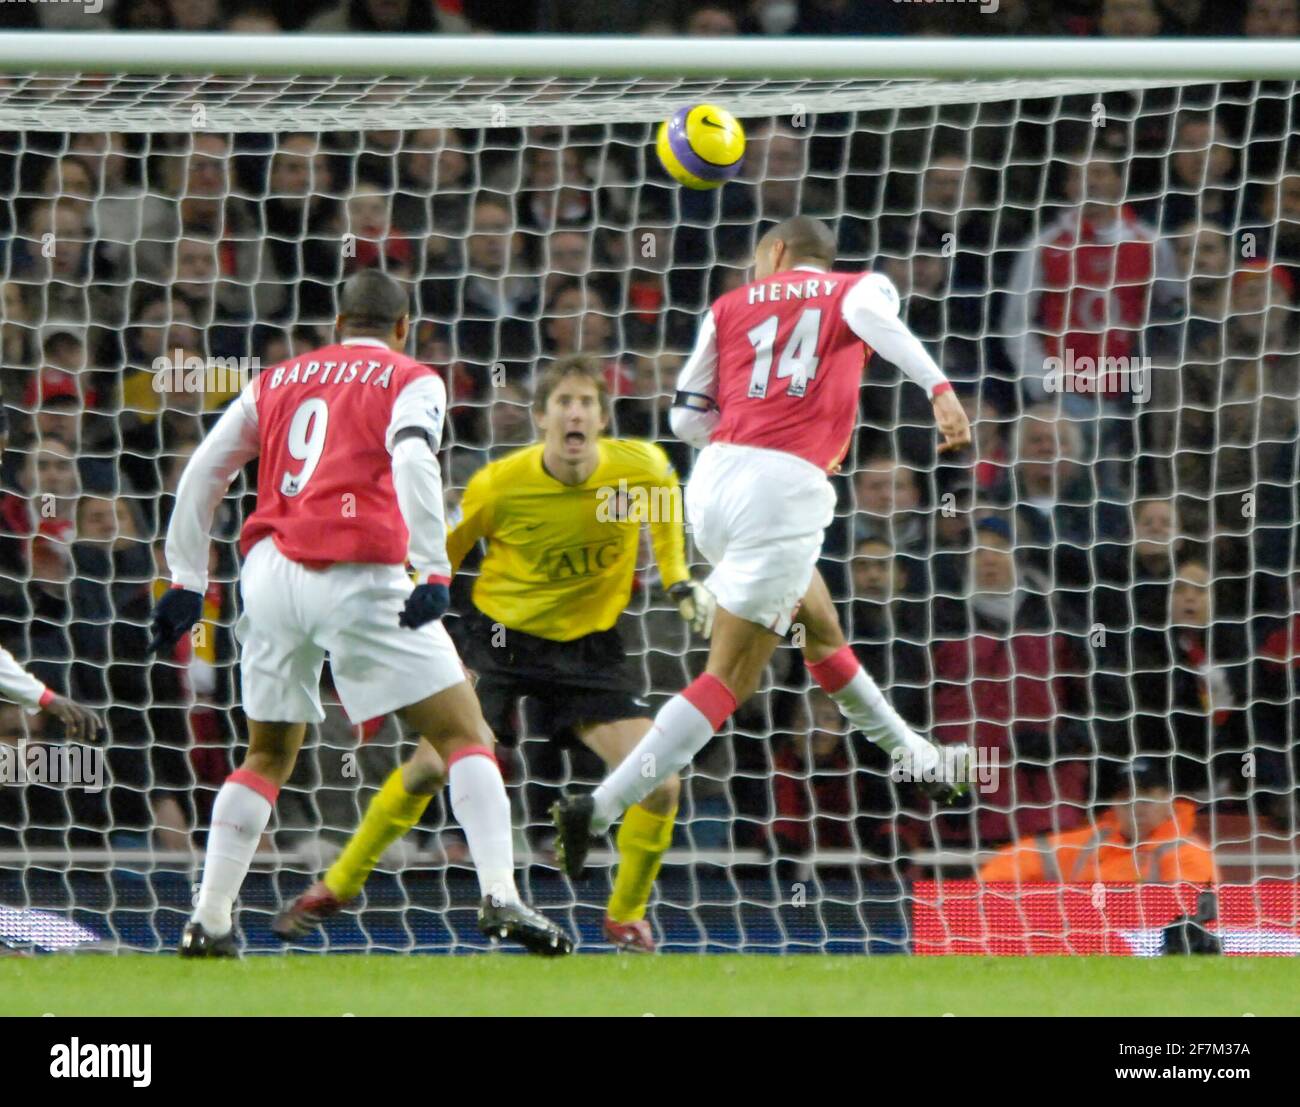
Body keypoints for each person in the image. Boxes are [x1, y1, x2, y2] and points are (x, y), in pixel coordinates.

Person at [149, 269, 570, 958]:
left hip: (273, 574)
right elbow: (411, 456)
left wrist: (186, 579)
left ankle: (210, 919)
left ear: (338, 325)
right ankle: (501, 895)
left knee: (267, 752)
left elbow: (204, 468)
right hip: (362, 571)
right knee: (467, 732)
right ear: (403, 326)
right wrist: (434, 565)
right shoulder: (414, 377)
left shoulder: (275, 380)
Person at [551, 215, 973, 875]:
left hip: (713, 484)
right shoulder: (855, 288)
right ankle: (600, 808)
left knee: (820, 626)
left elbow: (685, 417)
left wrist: (753, 413)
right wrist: (940, 391)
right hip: (787, 486)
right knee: (729, 679)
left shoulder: (728, 305)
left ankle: (919, 759)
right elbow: (878, 325)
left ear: (776, 253)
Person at [273, 355, 711, 952]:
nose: (575, 412)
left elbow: (665, 531)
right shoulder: (499, 484)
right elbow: (436, 553)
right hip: (502, 641)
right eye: (563, 403)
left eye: (586, 402)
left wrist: (681, 580)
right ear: (541, 419)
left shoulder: (645, 470)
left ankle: (626, 916)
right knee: (432, 766)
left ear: (604, 418)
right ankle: (337, 884)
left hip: (590, 650)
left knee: (659, 783)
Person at [978, 756, 1218, 884]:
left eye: (1147, 799)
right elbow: (1025, 856)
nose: (1135, 809)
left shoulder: (1187, 852)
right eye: (1126, 799)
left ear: (1168, 801)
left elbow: (1187, 910)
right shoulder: (1096, 839)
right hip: (1087, 938)